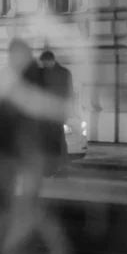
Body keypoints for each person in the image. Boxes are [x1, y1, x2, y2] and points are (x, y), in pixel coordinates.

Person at [0, 39, 49, 254]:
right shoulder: (39, 78)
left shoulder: (8, 78)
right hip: (29, 152)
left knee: (4, 205)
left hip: (11, 151)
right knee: (25, 206)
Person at [40, 50, 75, 178]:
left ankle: (59, 167)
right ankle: (55, 167)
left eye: (44, 63)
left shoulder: (62, 73)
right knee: (53, 140)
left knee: (57, 140)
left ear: (50, 60)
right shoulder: (62, 72)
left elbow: (68, 93)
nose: (43, 66)